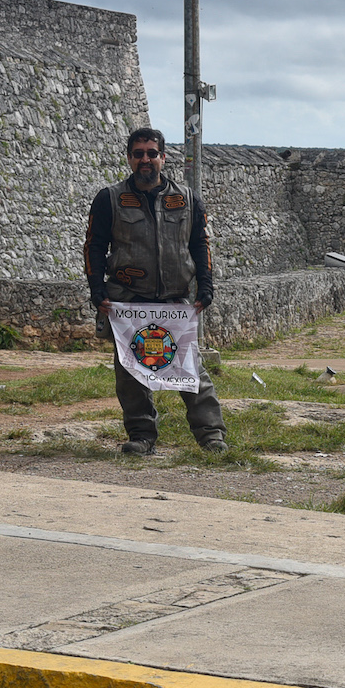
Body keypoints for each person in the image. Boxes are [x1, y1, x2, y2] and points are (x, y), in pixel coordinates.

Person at [83, 127, 227, 455]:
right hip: (128, 301)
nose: (145, 160)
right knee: (130, 374)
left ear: (163, 157)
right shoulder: (109, 199)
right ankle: (142, 436)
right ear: (129, 158)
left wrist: (205, 284)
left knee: (191, 370)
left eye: (151, 153)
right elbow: (94, 246)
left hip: (173, 301)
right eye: (138, 154)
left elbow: (200, 243)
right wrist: (96, 289)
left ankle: (211, 436)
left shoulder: (188, 199)